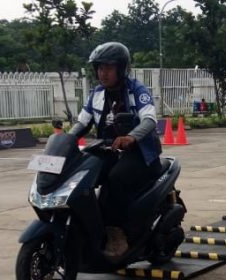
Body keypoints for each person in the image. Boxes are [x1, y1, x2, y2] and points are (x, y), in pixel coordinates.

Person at [68, 42, 163, 261]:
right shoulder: (97, 94)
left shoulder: (137, 91)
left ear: (121, 69)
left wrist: (132, 137)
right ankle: (89, 227)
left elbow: (149, 120)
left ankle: (116, 233)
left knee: (115, 178)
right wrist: (64, 139)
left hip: (140, 154)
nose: (103, 73)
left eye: (109, 68)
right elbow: (82, 123)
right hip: (109, 151)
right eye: (100, 68)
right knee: (80, 176)